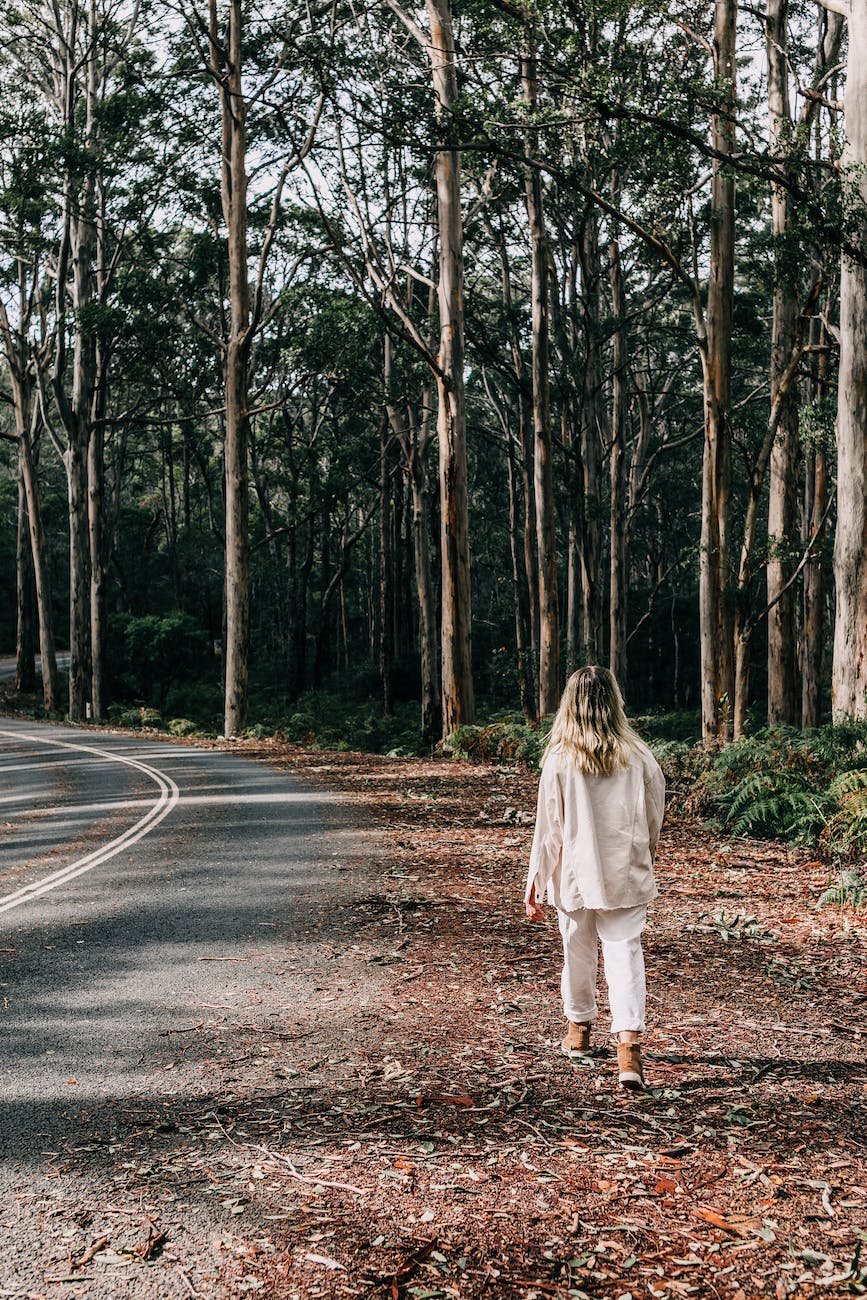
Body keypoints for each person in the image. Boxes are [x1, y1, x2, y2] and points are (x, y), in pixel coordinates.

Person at [524, 666, 665, 1090]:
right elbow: (654, 811)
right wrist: (645, 854)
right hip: (624, 870)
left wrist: (536, 881)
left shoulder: (561, 758)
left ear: (570, 705)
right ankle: (628, 1050)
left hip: (574, 873)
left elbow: (549, 828)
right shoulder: (637, 754)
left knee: (577, 952)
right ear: (613, 701)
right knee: (624, 954)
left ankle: (579, 1031)